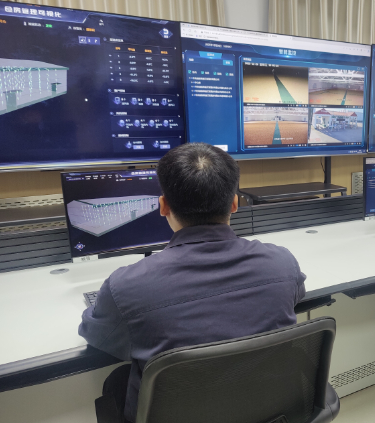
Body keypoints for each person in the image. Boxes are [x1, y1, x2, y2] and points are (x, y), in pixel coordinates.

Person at [79, 143, 306, 423]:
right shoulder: (282, 262)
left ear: (163, 206)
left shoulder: (125, 286)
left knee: (118, 379)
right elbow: (295, 296)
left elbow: (98, 336)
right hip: (267, 411)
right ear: (235, 203)